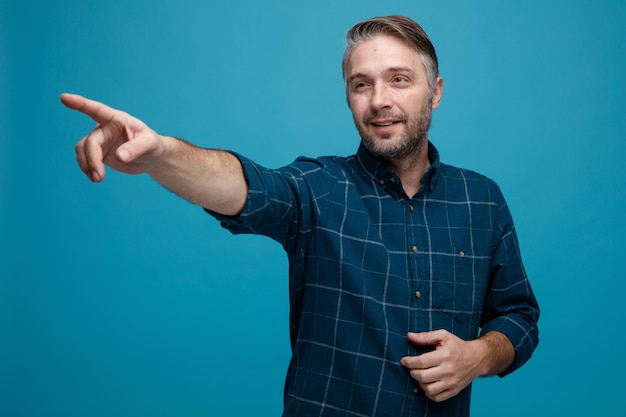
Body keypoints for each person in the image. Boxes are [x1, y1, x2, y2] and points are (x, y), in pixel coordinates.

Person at [61, 15, 539, 417]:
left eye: (399, 79)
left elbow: (519, 318)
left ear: (433, 92)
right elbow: (245, 186)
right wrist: (161, 154)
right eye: (361, 84)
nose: (379, 101)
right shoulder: (318, 188)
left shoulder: (482, 199)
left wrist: (477, 356)